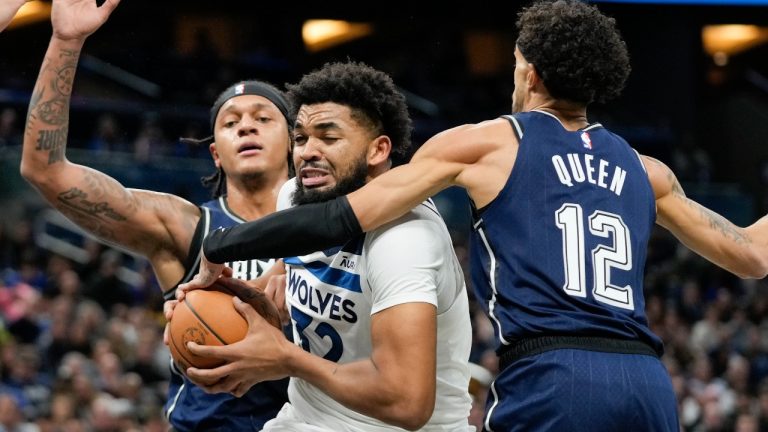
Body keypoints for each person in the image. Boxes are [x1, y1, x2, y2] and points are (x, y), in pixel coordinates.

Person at [183, 1, 768, 431]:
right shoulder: (647, 171)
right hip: (646, 384)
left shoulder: (489, 143)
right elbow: (751, 255)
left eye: (515, 62)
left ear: (531, 74)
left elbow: (342, 218)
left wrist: (223, 244)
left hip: (551, 378)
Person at [20, 0, 292, 430]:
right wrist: (66, 41)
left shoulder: (333, 225)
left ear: (294, 143)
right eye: (231, 122)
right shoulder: (184, 225)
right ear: (215, 154)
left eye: (263, 118)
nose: (246, 126)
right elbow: (45, 170)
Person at [176, 61, 474, 431]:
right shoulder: (294, 198)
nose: (307, 152)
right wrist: (230, 304)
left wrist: (286, 358)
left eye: (328, 138)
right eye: (300, 138)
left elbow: (407, 402)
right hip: (303, 419)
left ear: (378, 150)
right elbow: (284, 283)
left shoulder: (404, 238)